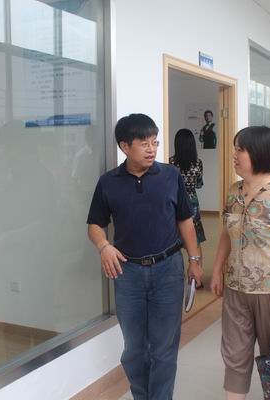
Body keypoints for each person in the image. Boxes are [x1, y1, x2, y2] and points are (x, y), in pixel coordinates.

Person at [86, 113, 203, 399]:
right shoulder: (109, 182)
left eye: (155, 142)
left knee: (164, 349)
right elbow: (94, 224)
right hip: (128, 273)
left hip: (168, 269)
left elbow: (185, 221)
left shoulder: (170, 176)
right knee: (135, 350)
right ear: (125, 146)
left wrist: (194, 260)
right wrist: (104, 246)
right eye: (144, 143)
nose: (152, 149)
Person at [210, 126, 270, 400]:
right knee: (234, 355)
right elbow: (226, 234)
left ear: (259, 153)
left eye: (240, 150)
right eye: (235, 149)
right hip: (236, 289)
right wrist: (216, 270)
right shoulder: (233, 192)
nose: (234, 155)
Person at [169, 129, 206, 268]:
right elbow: (199, 184)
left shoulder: (171, 162)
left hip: (175, 201)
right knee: (196, 240)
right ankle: (197, 274)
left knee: (173, 239)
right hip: (192, 202)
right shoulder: (198, 163)